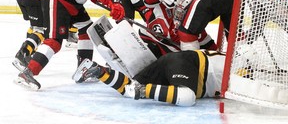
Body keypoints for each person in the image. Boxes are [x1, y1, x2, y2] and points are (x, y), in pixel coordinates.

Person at [74, 48, 225, 107]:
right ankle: (144, 90)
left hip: (176, 60)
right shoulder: (244, 67)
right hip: (191, 64)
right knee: (187, 97)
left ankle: (99, 71)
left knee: (130, 89)